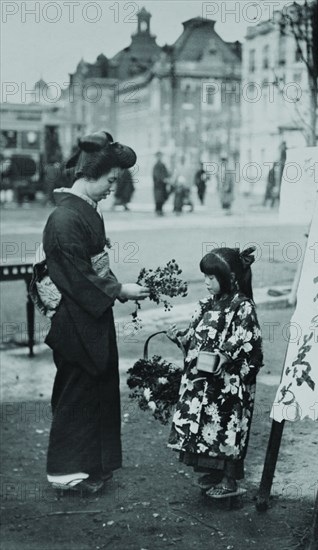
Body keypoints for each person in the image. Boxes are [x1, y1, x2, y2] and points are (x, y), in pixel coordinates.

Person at [41, 131, 149, 494]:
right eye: (111, 181)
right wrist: (118, 291)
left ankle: (89, 465)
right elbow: (76, 274)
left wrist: (116, 287)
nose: (112, 189)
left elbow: (94, 268)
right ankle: (64, 470)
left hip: (89, 316)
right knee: (77, 390)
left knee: (95, 388)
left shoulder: (83, 212)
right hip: (73, 320)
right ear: (89, 175)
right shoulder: (64, 220)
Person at [167, 247, 263, 498]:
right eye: (205, 276)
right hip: (203, 382)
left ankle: (229, 480)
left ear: (230, 277)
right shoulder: (205, 305)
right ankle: (215, 471)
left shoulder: (242, 307)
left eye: (212, 277)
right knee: (205, 428)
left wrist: (225, 355)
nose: (206, 282)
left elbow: (249, 342)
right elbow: (193, 340)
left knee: (228, 427)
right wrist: (180, 337)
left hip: (228, 385)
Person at [152, 151, 169, 216]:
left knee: (162, 197)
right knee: (158, 198)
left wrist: (166, 178)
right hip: (158, 185)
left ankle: (160, 210)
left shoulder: (162, 165)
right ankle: (158, 210)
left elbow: (166, 173)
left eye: (160, 156)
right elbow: (156, 175)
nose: (159, 157)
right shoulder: (156, 165)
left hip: (162, 185)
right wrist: (162, 179)